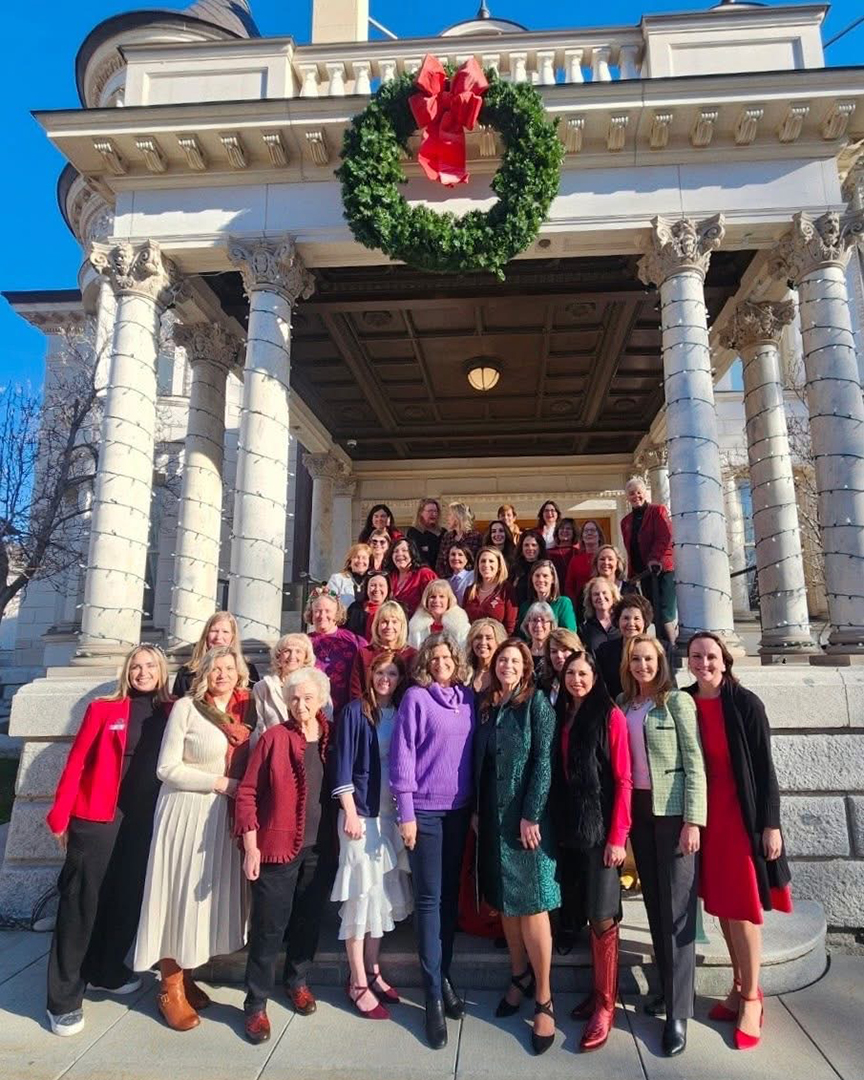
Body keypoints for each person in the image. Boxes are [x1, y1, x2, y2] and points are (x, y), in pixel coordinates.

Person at [45, 646, 173, 1037]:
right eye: (136, 666)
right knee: (81, 904)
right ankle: (63, 998)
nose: (142, 672)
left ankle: (107, 970)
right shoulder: (104, 708)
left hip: (141, 821)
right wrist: (59, 815)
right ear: (126, 671)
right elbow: (77, 761)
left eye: (150, 665)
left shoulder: (172, 711)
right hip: (98, 816)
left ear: (162, 671)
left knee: (125, 898)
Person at [133, 647, 253, 1031]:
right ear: (204, 672)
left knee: (198, 901)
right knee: (177, 897)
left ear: (239, 673)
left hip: (217, 819)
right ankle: (169, 987)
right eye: (215, 668)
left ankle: (185, 975)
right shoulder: (188, 708)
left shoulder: (238, 713)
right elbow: (167, 768)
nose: (222, 674)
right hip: (185, 813)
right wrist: (219, 783)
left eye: (229, 668)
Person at [685, 632, 792, 1050]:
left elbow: (765, 767)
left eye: (711, 656)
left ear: (724, 661)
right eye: (696, 656)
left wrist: (771, 824)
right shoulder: (686, 700)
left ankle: (752, 997)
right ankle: (737, 984)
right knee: (725, 906)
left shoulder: (746, 704)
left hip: (740, 818)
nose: (704, 663)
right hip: (707, 817)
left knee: (743, 906)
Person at [235, 667, 337, 1042]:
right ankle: (256, 1003)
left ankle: (297, 981)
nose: (301, 704)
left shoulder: (331, 737)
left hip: (320, 848)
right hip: (276, 848)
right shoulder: (274, 738)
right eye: (295, 697)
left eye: (308, 697)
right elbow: (247, 793)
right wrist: (250, 846)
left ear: (321, 699)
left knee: (308, 920)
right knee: (269, 927)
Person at [619, 635, 706, 1058]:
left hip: (673, 814)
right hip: (639, 808)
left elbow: (695, 763)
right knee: (654, 905)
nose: (641, 666)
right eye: (635, 659)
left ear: (661, 662)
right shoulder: (625, 704)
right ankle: (665, 987)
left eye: (648, 659)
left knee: (677, 913)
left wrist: (694, 820)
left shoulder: (675, 703)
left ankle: (678, 1011)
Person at [474, 639, 559, 1055]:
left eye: (515, 660)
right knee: (506, 903)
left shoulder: (536, 703)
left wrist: (532, 813)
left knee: (533, 903)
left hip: (525, 820)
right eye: (501, 659)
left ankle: (544, 997)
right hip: (492, 815)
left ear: (526, 667)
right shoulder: (488, 705)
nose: (507, 665)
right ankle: (518, 974)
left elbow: (543, 760)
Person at [390, 633, 475, 1049]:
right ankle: (432, 998)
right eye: (435, 656)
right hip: (424, 811)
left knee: (449, 900)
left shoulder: (466, 698)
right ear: (426, 661)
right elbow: (402, 754)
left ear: (456, 661)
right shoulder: (416, 699)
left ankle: (444, 978)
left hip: (459, 810)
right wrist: (405, 813)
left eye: (447, 656)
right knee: (428, 899)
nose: (441, 662)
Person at [553, 651, 632, 1052]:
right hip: (570, 828)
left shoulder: (609, 715)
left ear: (594, 676)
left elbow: (623, 779)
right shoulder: (564, 712)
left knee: (603, 915)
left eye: (583, 674)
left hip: (600, 828)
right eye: (570, 674)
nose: (576, 680)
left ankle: (606, 1004)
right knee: (585, 911)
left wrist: (618, 837)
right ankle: (595, 991)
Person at [330, 653, 414, 1019]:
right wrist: (349, 812)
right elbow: (342, 764)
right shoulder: (354, 712)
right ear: (370, 675)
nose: (386, 678)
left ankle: (373, 968)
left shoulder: (398, 713)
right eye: (380, 671)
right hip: (360, 814)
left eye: (392, 673)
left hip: (389, 816)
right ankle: (357, 979)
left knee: (380, 892)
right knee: (360, 896)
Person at [621, 477, 677, 645]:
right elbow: (631, 550)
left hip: (661, 569)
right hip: (643, 574)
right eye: (631, 493)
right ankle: (658, 645)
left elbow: (664, 537)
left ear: (645, 493)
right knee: (650, 611)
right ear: (627, 497)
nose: (635, 496)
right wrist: (631, 575)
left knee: (664, 612)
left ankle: (671, 647)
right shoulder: (626, 522)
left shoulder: (657, 511)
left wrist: (654, 558)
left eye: (639, 492)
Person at [252, 633, 329, 746]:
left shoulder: (318, 684)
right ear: (279, 656)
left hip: (310, 748)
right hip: (275, 749)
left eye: (298, 651)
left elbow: (326, 720)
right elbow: (259, 727)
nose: (292, 656)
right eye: (287, 651)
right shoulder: (262, 687)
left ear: (305, 657)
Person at [172, 611, 260, 697]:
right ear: (206, 635)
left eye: (225, 632)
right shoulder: (186, 672)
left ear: (233, 637)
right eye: (214, 631)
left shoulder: (248, 671)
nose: (219, 637)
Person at [307, 589, 366, 716]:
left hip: (348, 709)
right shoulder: (304, 643)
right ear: (311, 614)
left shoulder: (354, 641)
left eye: (327, 611)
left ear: (337, 613)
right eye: (317, 611)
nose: (322, 616)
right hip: (315, 711)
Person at [349, 600, 417, 700]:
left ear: (402, 626)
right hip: (368, 711)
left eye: (394, 622)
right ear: (377, 625)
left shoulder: (412, 655)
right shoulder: (365, 654)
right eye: (384, 622)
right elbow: (356, 691)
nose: (389, 626)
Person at [595, 594, 655, 700]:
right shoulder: (605, 651)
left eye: (636, 618)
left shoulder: (659, 650)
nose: (631, 623)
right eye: (626, 618)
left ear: (645, 622)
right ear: (618, 621)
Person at [462, 547, 518, 634]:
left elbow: (510, 626)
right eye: (483, 561)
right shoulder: (469, 590)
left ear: (499, 566)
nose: (486, 565)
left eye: (491, 561)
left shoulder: (506, 590)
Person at [408, 579, 470, 651]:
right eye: (432, 597)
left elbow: (465, 654)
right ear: (426, 600)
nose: (437, 601)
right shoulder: (416, 626)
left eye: (441, 596)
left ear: (449, 600)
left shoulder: (461, 625)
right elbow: (412, 655)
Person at [517, 560, 577, 634]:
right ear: (532, 579)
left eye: (545, 576)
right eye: (537, 576)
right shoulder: (525, 606)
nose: (541, 579)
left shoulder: (563, 604)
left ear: (553, 579)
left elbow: (570, 634)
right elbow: (520, 636)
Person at [386, 536, 437, 618]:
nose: (399, 554)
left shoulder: (425, 574)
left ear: (412, 553)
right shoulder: (390, 576)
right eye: (395, 551)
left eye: (404, 550)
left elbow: (436, 601)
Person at [434, 502, 482, 578]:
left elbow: (476, 561)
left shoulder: (475, 536)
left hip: (469, 580)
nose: (447, 518)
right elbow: (440, 561)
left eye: (449, 515)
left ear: (458, 517)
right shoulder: (447, 536)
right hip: (448, 580)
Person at [564, 519, 606, 607]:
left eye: (593, 530)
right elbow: (569, 587)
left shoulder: (606, 557)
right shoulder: (576, 560)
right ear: (582, 537)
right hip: (582, 606)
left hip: (604, 602)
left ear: (599, 536)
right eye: (586, 531)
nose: (589, 533)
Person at [542, 627, 585, 706]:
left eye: (564, 650)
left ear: (575, 651)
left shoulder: (586, 683)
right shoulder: (543, 685)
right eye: (554, 651)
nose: (559, 655)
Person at [580, 577, 622, 654]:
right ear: (590, 600)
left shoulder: (622, 622)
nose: (601, 597)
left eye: (604, 593)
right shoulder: (585, 628)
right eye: (596, 594)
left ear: (613, 596)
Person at [466, 617, 508, 695]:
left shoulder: (505, 672)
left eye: (489, 638)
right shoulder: (464, 673)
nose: (483, 642)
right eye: (478, 637)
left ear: (498, 642)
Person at [520, 602, 558, 686]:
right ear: (527, 624)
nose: (538, 625)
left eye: (543, 620)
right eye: (534, 620)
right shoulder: (521, 652)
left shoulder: (556, 652)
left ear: (551, 625)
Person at [345, 572, 391, 640]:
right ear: (366, 588)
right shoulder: (355, 608)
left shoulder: (394, 610)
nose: (377, 589)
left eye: (381, 585)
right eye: (373, 585)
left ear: (388, 588)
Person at [326, 544, 372, 609]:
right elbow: (328, 603)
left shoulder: (372, 581)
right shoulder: (337, 579)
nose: (360, 561)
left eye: (364, 558)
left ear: (369, 563)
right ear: (350, 562)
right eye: (356, 557)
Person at [511, 529, 546, 607]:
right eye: (526, 545)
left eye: (534, 545)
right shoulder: (515, 568)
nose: (530, 548)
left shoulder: (546, 568)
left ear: (540, 547)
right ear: (521, 548)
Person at [407, 498, 444, 570]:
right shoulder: (414, 532)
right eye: (430, 511)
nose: (433, 514)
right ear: (421, 512)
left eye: (435, 511)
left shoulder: (443, 533)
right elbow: (416, 556)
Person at [547, 518, 578, 584]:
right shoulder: (548, 553)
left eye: (568, 528)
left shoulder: (579, 552)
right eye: (561, 528)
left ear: (574, 532)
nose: (564, 530)